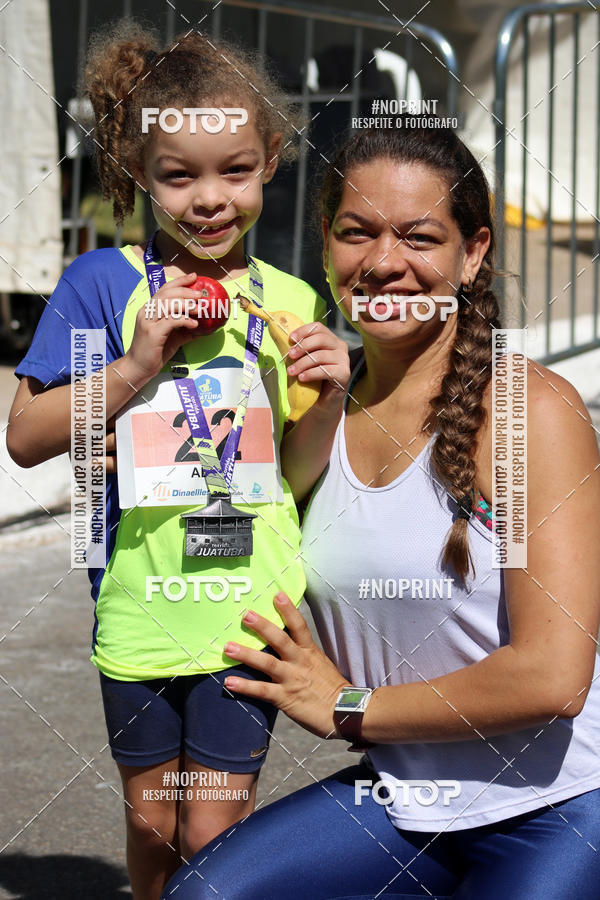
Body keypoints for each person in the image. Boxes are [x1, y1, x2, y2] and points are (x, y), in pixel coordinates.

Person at [160, 127, 600, 899]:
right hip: (400, 797)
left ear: (472, 254)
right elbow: (218, 533)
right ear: (326, 244)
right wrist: (125, 459)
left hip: (563, 803)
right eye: (355, 231)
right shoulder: (313, 410)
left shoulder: (530, 411)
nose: (384, 261)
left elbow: (553, 678)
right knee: (204, 894)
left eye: (419, 236)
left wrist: (347, 705)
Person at [6, 20, 349, 900]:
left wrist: (331, 396)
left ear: (272, 159)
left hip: (246, 603)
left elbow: (297, 478)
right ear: (137, 174)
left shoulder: (291, 300)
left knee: (213, 830)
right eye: (178, 175)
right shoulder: (100, 285)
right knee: (156, 825)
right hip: (139, 604)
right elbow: (29, 435)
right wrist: (132, 366)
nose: (209, 199)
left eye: (235, 170)